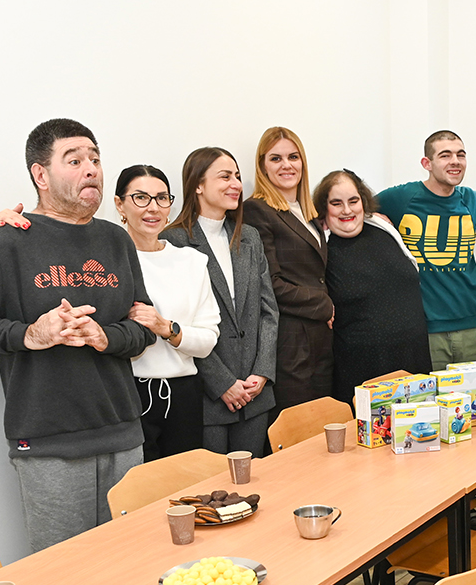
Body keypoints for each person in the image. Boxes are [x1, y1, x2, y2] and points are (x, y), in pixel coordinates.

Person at [0, 119, 155, 552]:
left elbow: (143, 327)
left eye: (95, 159)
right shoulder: (6, 243)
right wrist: (31, 335)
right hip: (48, 441)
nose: (91, 169)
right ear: (40, 175)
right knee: (66, 573)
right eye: (74, 161)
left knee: (132, 561)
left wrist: (106, 337)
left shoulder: (116, 239)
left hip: (123, 434)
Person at [161, 147, 279, 454]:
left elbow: (268, 310)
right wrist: (222, 382)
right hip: (208, 396)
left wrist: (262, 372)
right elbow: (179, 325)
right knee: (213, 483)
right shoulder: (173, 241)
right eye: (225, 177)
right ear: (198, 185)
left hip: (255, 393)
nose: (236, 184)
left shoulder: (249, 236)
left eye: (237, 176)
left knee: (256, 478)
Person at [375, 131, 476, 369]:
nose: (455, 161)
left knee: (470, 392)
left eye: (461, 155)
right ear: (426, 163)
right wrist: (373, 215)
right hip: (423, 327)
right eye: (445, 155)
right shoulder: (402, 198)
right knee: (429, 392)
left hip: (469, 324)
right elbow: (353, 206)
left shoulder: (471, 200)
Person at [113, 166, 222, 460]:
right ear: (119, 204)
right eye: (141, 198)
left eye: (162, 198)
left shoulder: (191, 261)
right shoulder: (108, 263)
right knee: (137, 484)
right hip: (128, 393)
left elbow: (208, 340)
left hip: (184, 394)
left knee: (185, 483)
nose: (153, 208)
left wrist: (167, 328)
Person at [318, 169, 433, 395]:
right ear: (324, 208)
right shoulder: (321, 248)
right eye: (336, 203)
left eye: (353, 201)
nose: (347, 210)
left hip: (414, 361)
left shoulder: (384, 228)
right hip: (362, 372)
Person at [244, 126, 333, 412]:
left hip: (320, 339)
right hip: (290, 340)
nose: (287, 165)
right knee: (297, 426)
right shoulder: (256, 210)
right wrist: (324, 304)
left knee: (322, 423)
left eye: (293, 157)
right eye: (276, 158)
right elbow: (270, 284)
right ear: (263, 167)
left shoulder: (308, 213)